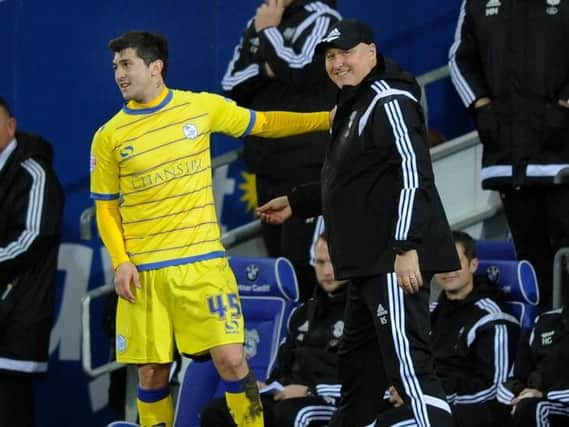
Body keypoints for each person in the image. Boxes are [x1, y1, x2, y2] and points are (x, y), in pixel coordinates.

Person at [90, 31, 331, 427]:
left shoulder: (199, 108)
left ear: (155, 67)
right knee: (151, 373)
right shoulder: (109, 137)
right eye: (115, 66)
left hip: (202, 265)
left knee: (233, 359)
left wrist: (327, 117)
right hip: (145, 274)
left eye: (126, 64)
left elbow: (265, 123)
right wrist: (120, 262)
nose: (118, 73)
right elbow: (105, 210)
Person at [257, 18, 461, 427]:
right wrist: (298, 203)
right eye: (331, 56)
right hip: (367, 265)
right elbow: (352, 182)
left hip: (391, 259)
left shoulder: (388, 99)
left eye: (345, 53)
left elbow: (412, 173)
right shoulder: (354, 104)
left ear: (371, 51)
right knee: (357, 374)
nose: (337, 63)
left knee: (410, 372)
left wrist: (405, 247)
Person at [448, 0, 569, 308]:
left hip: (562, 157)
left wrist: (564, 108)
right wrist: (482, 107)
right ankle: (546, 338)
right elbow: (459, 59)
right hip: (508, 160)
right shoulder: (476, 3)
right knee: (531, 259)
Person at [222, 0, 340, 301]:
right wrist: (266, 68)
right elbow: (231, 84)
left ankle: (325, 337)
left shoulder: (323, 18)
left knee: (312, 264)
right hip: (266, 168)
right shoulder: (258, 21)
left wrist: (270, 32)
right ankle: (297, 339)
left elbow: (300, 69)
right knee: (281, 271)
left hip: (309, 167)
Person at [200, 233, 346, 426]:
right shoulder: (301, 313)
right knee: (218, 411)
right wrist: (267, 386)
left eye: (332, 262)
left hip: (330, 399)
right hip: (285, 395)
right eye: (320, 263)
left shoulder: (362, 314)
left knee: (291, 415)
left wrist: (311, 390)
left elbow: (365, 380)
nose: (326, 271)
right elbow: (281, 366)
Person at [0, 97, 64, 426]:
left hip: (16, 319)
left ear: (11, 126)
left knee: (9, 411)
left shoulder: (33, 171)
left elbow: (31, 239)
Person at [430, 230, 519, 426]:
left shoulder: (493, 317)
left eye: (455, 261)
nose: (447, 269)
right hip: (434, 400)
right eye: (441, 262)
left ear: (473, 265)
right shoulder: (430, 313)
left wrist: (432, 395)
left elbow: (496, 390)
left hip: (478, 412)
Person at [498, 306, 569, 426]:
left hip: (556, 403)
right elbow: (509, 381)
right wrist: (521, 395)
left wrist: (543, 395)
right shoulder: (544, 321)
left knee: (535, 409)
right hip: (531, 401)